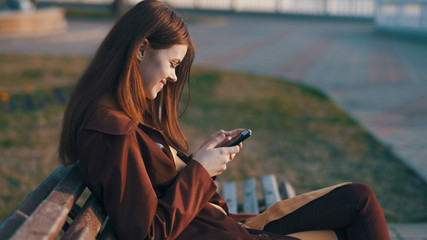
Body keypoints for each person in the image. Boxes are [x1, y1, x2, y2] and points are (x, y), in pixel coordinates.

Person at [58, 1, 391, 239]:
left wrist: (199, 159)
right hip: (227, 232)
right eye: (173, 63)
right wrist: (200, 170)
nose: (174, 77)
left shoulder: (119, 118)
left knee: (357, 198)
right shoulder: (111, 131)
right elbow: (149, 233)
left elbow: (159, 195)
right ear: (141, 50)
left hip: (227, 225)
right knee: (354, 215)